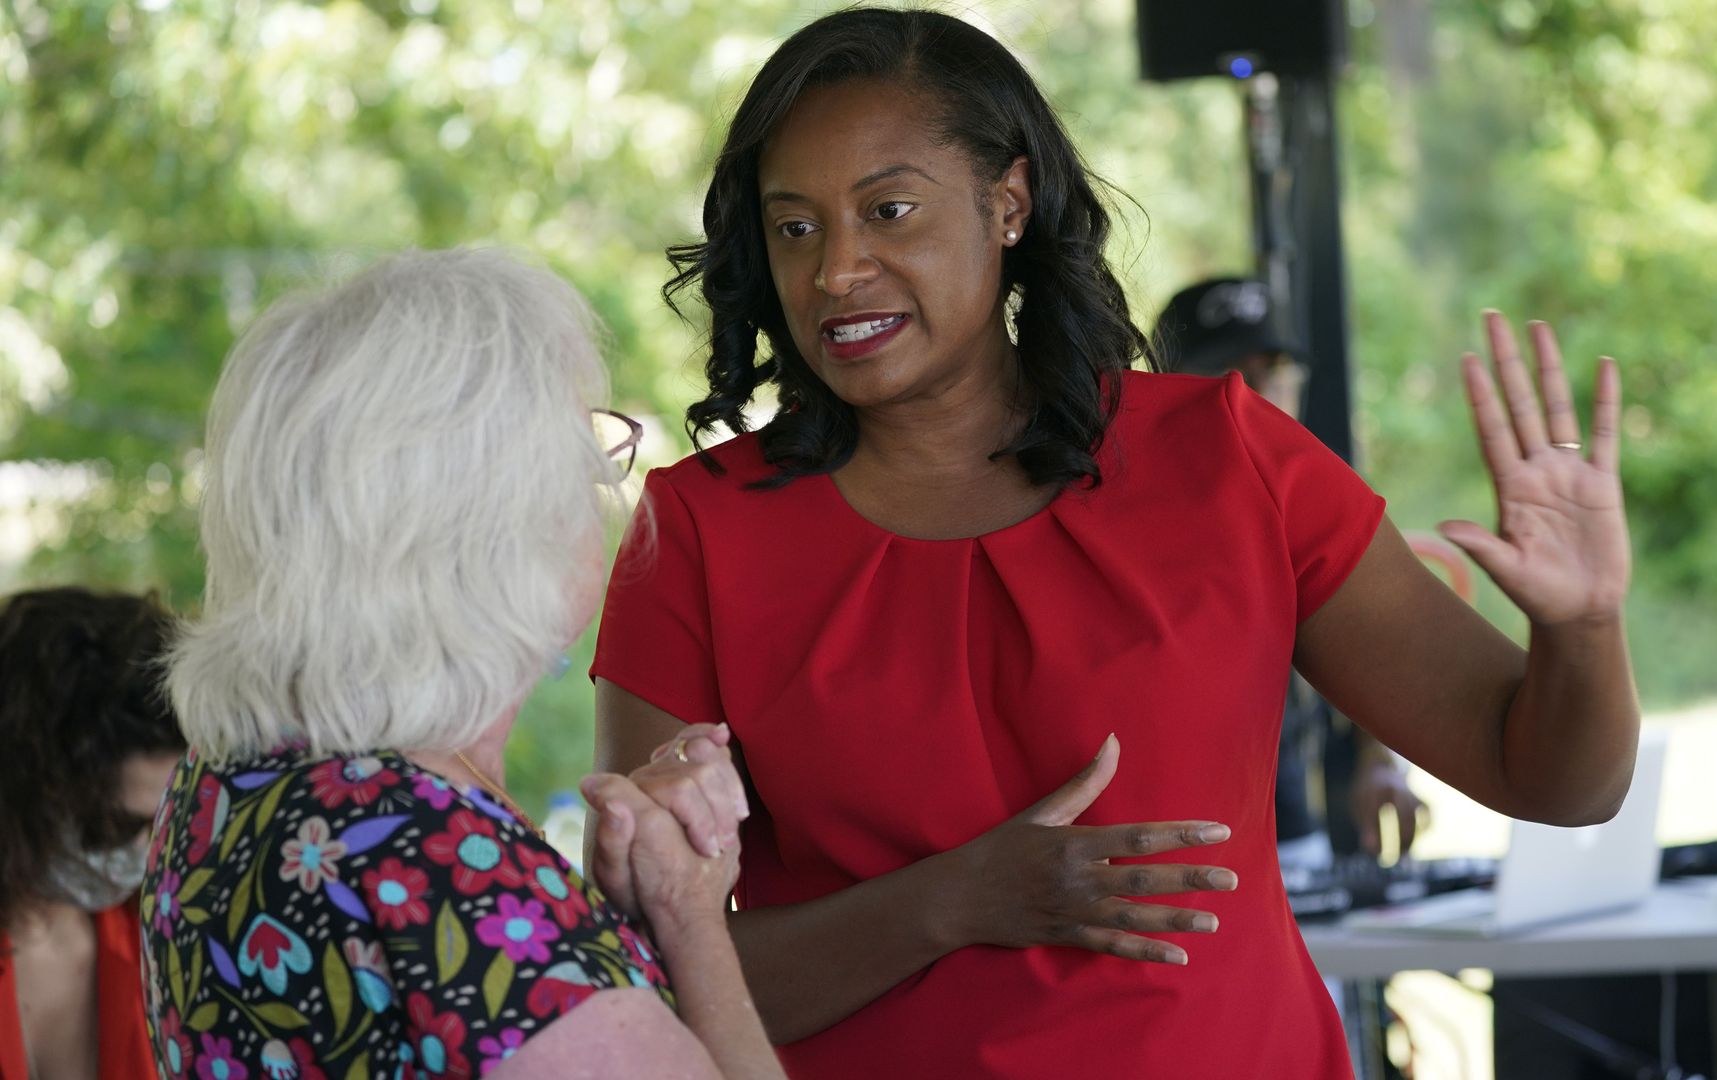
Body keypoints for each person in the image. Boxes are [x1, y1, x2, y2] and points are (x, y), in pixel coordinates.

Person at [591, 9, 1638, 1078]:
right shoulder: (699, 533)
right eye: (796, 228)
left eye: (888, 210)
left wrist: (1583, 628)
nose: (836, 270)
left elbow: (1555, 780)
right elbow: (649, 965)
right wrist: (954, 901)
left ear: (1008, 202)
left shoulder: (1225, 459)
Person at [147, 249, 785, 1080]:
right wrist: (689, 910)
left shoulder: (224, 787)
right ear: (495, 520)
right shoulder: (447, 867)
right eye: (582, 443)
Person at [1153, 276, 1426, 868]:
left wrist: (1381, 759)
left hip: (1293, 838)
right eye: (1228, 374)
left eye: (1275, 372)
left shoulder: (1309, 507)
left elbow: (1361, 645)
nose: (1257, 394)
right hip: (1156, 861)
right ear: (1160, 387)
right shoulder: (1125, 512)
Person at [0, 587, 184, 1080]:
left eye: (166, 822)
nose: (145, 852)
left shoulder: (160, 939)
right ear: (27, 791)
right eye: (113, 826)